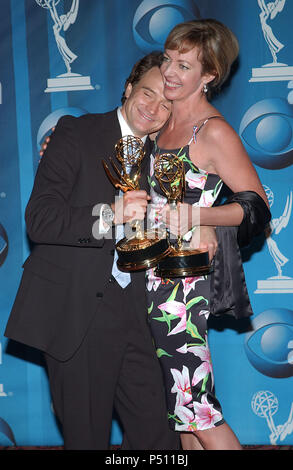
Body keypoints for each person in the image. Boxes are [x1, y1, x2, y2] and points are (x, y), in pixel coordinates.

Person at [5, 52, 181, 450]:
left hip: (143, 311)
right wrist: (111, 214)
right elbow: (41, 219)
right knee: (87, 438)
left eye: (166, 104)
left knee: (160, 436)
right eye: (148, 94)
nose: (153, 108)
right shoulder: (75, 133)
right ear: (128, 88)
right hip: (79, 308)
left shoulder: (168, 157)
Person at [145, 19, 271, 451]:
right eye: (167, 60)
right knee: (184, 416)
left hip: (181, 286)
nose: (170, 72)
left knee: (197, 408)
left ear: (209, 76)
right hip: (143, 278)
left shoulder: (212, 131)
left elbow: (255, 208)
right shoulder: (158, 124)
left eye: (184, 65)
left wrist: (200, 216)